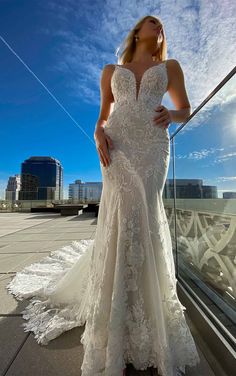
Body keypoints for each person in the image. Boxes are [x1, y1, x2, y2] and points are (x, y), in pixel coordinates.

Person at [6, 15, 201, 376]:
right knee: (126, 215)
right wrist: (98, 135)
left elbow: (185, 110)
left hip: (154, 148)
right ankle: (118, 316)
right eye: (151, 22)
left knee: (145, 214)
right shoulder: (112, 69)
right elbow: (101, 117)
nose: (158, 28)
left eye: (161, 25)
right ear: (137, 31)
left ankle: (146, 316)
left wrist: (171, 114)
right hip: (118, 146)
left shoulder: (171, 66)